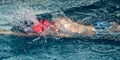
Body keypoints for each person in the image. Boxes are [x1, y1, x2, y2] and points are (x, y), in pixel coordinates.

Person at [0, 16, 120, 37]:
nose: (43, 24)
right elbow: (14, 33)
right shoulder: (55, 29)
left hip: (98, 28)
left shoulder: (59, 23)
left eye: (42, 22)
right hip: (98, 27)